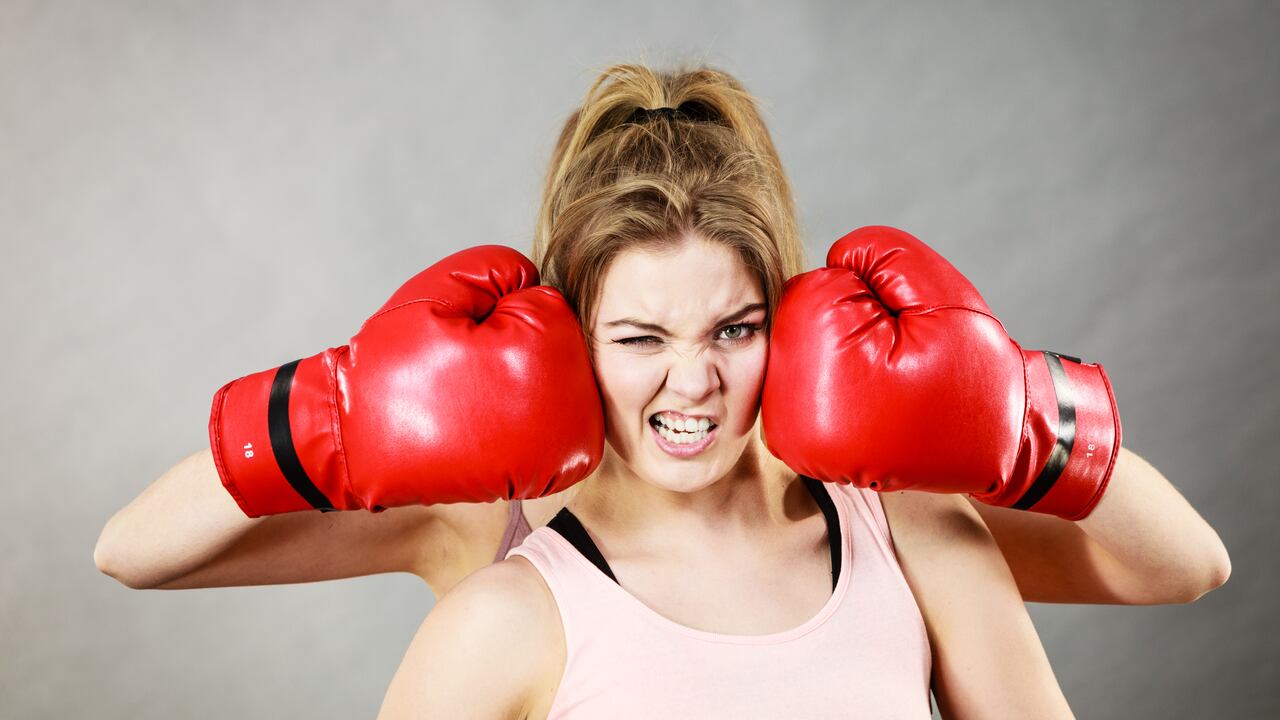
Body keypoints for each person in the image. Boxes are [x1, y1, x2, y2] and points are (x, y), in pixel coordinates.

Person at [93, 63, 1230, 714]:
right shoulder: (494, 558)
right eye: (638, 336)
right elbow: (132, 552)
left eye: (734, 327)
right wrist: (331, 413)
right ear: (567, 337)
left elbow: (1185, 566)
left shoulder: (894, 516)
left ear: (784, 314)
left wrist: (1019, 414)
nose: (694, 381)